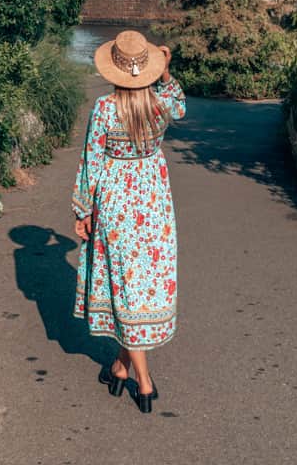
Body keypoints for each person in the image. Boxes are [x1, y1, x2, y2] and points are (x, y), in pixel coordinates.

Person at [71, 30, 186, 413]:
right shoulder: (161, 103)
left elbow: (92, 161)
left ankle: (144, 380)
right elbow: (181, 107)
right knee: (138, 286)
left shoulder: (105, 108)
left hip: (118, 201)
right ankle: (119, 368)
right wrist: (166, 74)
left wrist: (83, 209)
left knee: (123, 285)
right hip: (154, 201)